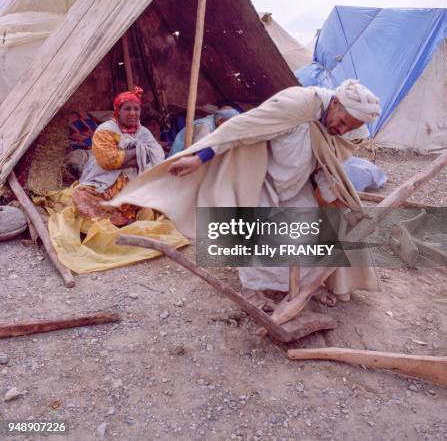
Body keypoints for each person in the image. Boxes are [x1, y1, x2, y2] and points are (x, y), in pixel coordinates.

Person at [109, 80, 381, 306]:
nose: (343, 129)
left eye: (350, 127)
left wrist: (337, 202)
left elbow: (327, 162)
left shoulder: (339, 127)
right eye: (343, 121)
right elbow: (242, 128)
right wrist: (199, 158)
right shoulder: (299, 104)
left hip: (298, 183)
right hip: (263, 176)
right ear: (334, 103)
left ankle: (305, 286)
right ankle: (253, 290)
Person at [72, 86, 165, 226]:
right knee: (79, 194)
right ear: (118, 111)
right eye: (127, 109)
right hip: (104, 181)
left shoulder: (143, 132)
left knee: (155, 197)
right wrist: (137, 153)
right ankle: (120, 219)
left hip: (132, 183)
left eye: (136, 109)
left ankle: (124, 216)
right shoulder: (105, 130)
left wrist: (124, 157)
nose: (132, 113)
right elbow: (108, 161)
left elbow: (157, 157)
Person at [168, 105, 240, 157]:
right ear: (219, 120)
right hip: (178, 158)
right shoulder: (205, 127)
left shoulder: (213, 120)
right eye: (229, 123)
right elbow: (197, 153)